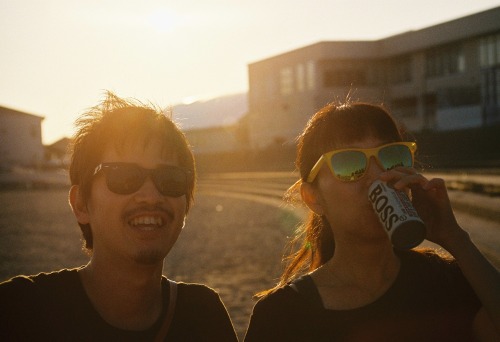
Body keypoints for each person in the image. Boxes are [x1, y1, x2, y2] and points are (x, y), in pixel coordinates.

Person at [245, 102, 500, 341]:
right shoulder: (281, 316)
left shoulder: (446, 280)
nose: (378, 176)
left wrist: (455, 238)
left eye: (392, 156)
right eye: (348, 163)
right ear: (313, 197)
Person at [0, 92, 238, 341]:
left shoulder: (203, 316)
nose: (151, 196)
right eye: (124, 176)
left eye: (170, 179)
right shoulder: (20, 312)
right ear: (81, 203)